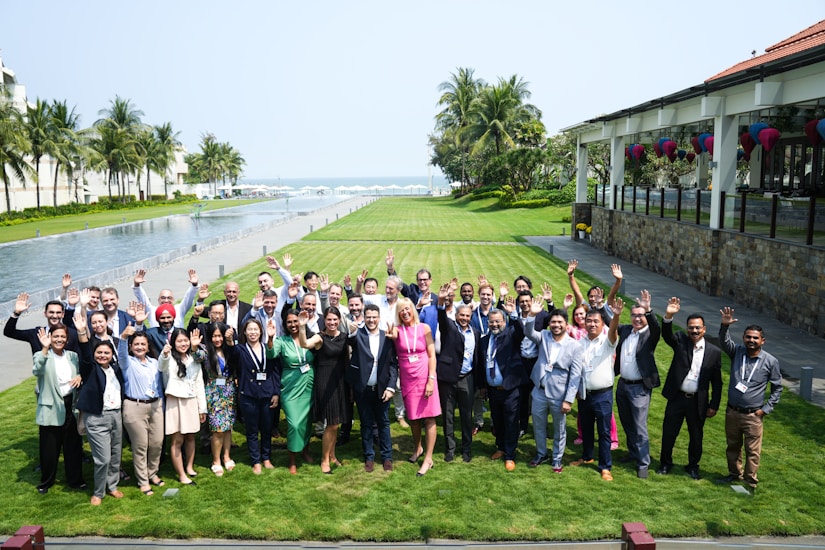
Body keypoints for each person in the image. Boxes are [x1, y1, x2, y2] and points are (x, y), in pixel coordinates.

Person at [657, 298, 723, 480]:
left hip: (697, 401)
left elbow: (717, 382)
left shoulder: (714, 352)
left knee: (696, 436)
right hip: (677, 398)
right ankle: (665, 464)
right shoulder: (680, 341)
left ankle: (693, 466)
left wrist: (714, 405)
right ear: (687, 329)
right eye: (691, 328)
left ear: (704, 329)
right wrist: (669, 315)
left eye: (698, 328)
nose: (694, 331)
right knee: (669, 433)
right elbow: (667, 335)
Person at [718, 307, 782, 490]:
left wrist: (766, 409)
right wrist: (725, 326)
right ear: (744, 338)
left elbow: (777, 388)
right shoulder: (737, 352)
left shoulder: (770, 361)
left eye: (755, 338)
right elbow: (724, 342)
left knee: (752, 450)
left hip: (753, 415)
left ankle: (750, 481)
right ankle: (734, 474)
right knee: (732, 445)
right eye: (748, 337)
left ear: (762, 341)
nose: (751, 340)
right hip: (732, 412)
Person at [524, 301, 583, 473]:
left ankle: (557, 458)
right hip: (539, 392)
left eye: (560, 322)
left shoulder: (575, 346)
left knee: (559, 429)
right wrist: (532, 315)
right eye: (553, 322)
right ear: (549, 323)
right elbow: (528, 332)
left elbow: (575, 376)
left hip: (560, 395)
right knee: (538, 425)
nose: (556, 325)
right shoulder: (544, 335)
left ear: (566, 324)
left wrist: (568, 400)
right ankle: (541, 453)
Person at [74, 314, 126, 506]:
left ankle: (112, 486)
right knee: (103, 458)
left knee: (115, 455)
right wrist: (82, 332)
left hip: (116, 415)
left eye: (106, 353)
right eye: (99, 353)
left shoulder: (115, 369)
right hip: (97, 417)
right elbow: (86, 356)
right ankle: (98, 492)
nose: (103, 355)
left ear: (112, 355)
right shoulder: (91, 369)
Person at [387, 297, 440, 476]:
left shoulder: (424, 328)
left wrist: (431, 380)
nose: (405, 312)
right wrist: (389, 335)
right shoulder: (397, 330)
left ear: (413, 310)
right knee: (414, 418)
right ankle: (418, 448)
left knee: (429, 418)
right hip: (408, 379)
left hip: (425, 377)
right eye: (401, 310)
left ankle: (428, 458)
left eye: (407, 308)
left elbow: (431, 355)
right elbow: (391, 334)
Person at [31, 324, 85, 494]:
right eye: (55, 336)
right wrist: (44, 348)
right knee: (49, 448)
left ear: (67, 339)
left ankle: (75, 480)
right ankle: (46, 482)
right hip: (51, 406)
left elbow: (80, 372)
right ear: (50, 337)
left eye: (62, 336)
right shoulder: (41, 355)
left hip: (71, 405)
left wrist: (79, 376)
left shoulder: (72, 356)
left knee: (73, 446)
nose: (59, 339)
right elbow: (37, 370)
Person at [117, 310, 166, 496]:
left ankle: (152, 472)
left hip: (155, 405)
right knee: (141, 445)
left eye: (142, 344)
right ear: (131, 347)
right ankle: (143, 480)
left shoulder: (154, 362)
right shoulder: (127, 362)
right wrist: (123, 338)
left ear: (147, 346)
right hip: (135, 407)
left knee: (157, 443)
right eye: (136, 344)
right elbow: (121, 353)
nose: (139, 347)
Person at [346, 304, 398, 472]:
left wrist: (391, 387)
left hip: (382, 389)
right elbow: (350, 340)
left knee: (383, 423)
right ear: (364, 317)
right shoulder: (358, 335)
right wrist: (352, 331)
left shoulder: (386, 336)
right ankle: (369, 456)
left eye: (374, 317)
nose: (371, 320)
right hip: (363, 389)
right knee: (366, 423)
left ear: (379, 318)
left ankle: (387, 457)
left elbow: (393, 365)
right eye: (368, 317)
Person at [614, 290, 661, 479]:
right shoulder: (626, 330)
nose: (637, 319)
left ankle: (643, 463)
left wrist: (649, 310)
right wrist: (602, 306)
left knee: (640, 427)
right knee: (627, 423)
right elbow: (609, 322)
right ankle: (633, 452)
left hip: (639, 388)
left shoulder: (650, 334)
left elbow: (657, 327)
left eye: (641, 315)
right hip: (622, 385)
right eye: (634, 315)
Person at [298, 307, 349, 474]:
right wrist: (302, 327)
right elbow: (305, 344)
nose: (332, 322)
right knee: (331, 423)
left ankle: (332, 455)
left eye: (335, 319)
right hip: (325, 382)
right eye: (329, 320)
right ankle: (324, 459)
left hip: (340, 382)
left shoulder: (344, 337)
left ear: (339, 320)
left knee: (336, 423)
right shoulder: (320, 337)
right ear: (324, 320)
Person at [477, 299, 526, 471]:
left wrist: (514, 315)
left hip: (510, 389)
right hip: (493, 390)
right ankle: (501, 447)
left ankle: (510, 455)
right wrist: (482, 386)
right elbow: (481, 364)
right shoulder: (484, 341)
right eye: (492, 322)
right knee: (497, 420)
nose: (495, 324)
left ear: (504, 322)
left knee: (511, 421)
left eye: (498, 321)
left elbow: (521, 332)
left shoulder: (510, 335)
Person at [435, 283, 481, 463]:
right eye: (461, 315)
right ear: (456, 315)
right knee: (448, 416)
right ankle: (450, 449)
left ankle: (466, 449)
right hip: (448, 379)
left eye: (467, 316)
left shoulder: (475, 333)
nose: (464, 318)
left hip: (467, 379)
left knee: (466, 416)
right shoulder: (449, 328)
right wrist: (441, 301)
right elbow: (441, 316)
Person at [567, 302, 620, 451]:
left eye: (596, 321)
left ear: (602, 324)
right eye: (589, 321)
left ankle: (605, 463)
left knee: (604, 432)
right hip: (584, 394)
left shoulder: (607, 342)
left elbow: (613, 330)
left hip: (603, 394)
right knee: (587, 429)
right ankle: (587, 457)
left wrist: (616, 315)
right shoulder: (578, 344)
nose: (592, 324)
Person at [230, 319, 279, 474]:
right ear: (244, 332)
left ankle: (266, 458)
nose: (252, 332)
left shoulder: (267, 348)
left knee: (266, 428)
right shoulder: (240, 349)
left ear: (260, 331)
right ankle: (256, 461)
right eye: (249, 329)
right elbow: (232, 355)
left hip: (267, 394)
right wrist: (230, 341)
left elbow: (275, 371)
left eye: (255, 329)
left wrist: (276, 393)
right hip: (248, 394)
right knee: (251, 430)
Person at [267, 310, 314, 474]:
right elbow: (270, 354)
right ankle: (292, 459)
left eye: (296, 321)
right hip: (290, 385)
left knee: (306, 421)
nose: (293, 325)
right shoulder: (282, 341)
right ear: (285, 324)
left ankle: (305, 451)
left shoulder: (309, 337)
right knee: (294, 423)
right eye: (289, 322)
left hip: (309, 382)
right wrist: (270, 338)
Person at [159, 327, 207, 486]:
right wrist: (164, 354)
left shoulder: (194, 358)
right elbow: (161, 367)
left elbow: (199, 383)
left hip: (191, 401)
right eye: (179, 341)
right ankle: (181, 475)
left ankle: (189, 467)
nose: (183, 344)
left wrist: (202, 408)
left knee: (191, 437)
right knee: (177, 440)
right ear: (173, 342)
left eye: (185, 340)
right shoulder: (169, 358)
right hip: (175, 401)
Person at [202, 322, 238, 476]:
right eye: (214, 336)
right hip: (214, 392)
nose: (217, 339)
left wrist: (230, 341)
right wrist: (195, 347)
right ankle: (216, 461)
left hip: (229, 391)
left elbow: (237, 359)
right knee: (217, 429)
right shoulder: (205, 351)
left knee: (228, 427)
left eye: (220, 336)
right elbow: (196, 356)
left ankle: (227, 457)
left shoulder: (229, 350)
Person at [5, 294, 79, 354]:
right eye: (51, 312)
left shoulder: (72, 334)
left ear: (62, 314)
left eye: (58, 312)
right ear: (45, 314)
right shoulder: (36, 333)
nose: (55, 316)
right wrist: (17, 313)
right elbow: (9, 332)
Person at [131, 268, 199, 329]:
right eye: (163, 298)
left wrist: (194, 285)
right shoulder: (152, 311)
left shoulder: (179, 309)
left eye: (169, 298)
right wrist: (137, 285)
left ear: (173, 300)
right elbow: (143, 299)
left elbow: (188, 298)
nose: (166, 300)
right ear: (158, 300)